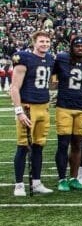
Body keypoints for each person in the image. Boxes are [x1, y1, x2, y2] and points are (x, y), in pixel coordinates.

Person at [53, 36, 82, 191]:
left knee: (77, 145)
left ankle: (74, 178)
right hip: (64, 107)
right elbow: (50, 74)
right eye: (77, 46)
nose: (80, 48)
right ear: (72, 48)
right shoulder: (62, 59)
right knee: (63, 144)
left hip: (81, 109)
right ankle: (62, 179)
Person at [11, 31, 55, 197]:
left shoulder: (50, 59)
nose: (44, 44)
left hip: (44, 106)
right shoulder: (24, 58)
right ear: (34, 43)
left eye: (47, 41)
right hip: (28, 107)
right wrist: (19, 111)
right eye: (41, 41)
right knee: (23, 146)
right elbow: (14, 87)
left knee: (38, 146)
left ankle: (36, 182)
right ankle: (19, 184)